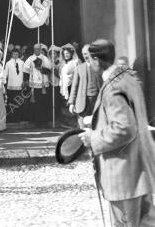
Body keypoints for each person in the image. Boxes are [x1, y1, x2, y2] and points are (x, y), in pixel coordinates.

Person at [79, 39, 155, 226]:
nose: (89, 64)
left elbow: (124, 128)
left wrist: (93, 137)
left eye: (89, 59)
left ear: (96, 60)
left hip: (123, 178)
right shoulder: (128, 78)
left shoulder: (112, 87)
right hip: (140, 172)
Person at [68, 44, 102, 129]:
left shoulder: (100, 67)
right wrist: (72, 103)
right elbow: (74, 87)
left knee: (97, 126)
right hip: (82, 101)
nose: (85, 56)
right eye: (84, 54)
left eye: (87, 53)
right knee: (82, 128)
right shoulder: (79, 68)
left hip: (97, 100)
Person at [23, 44, 52, 124]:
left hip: (43, 85)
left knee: (43, 103)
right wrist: (25, 80)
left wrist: (41, 69)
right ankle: (35, 120)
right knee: (34, 103)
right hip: (34, 84)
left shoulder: (45, 58)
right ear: (34, 49)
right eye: (35, 49)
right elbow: (25, 71)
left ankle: (44, 121)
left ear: (40, 49)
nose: (37, 50)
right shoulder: (30, 58)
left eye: (38, 49)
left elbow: (49, 70)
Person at [58, 43, 79, 127]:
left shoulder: (75, 62)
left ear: (71, 54)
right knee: (65, 105)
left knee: (71, 104)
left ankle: (74, 123)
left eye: (67, 53)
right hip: (64, 87)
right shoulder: (63, 63)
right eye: (65, 54)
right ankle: (67, 122)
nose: (66, 55)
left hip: (72, 86)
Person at [3, 48, 26, 122]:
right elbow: (5, 74)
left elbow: (24, 73)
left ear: (18, 54)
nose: (15, 55)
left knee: (19, 101)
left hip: (19, 85)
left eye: (16, 54)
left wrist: (24, 82)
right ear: (11, 54)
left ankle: (19, 117)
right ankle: (11, 118)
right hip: (11, 86)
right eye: (13, 54)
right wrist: (3, 82)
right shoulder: (8, 63)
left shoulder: (22, 62)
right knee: (11, 102)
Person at [48, 45, 62, 126]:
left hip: (57, 84)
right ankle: (51, 117)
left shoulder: (59, 61)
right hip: (50, 83)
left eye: (54, 53)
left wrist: (54, 69)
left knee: (57, 101)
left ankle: (57, 118)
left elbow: (60, 75)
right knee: (50, 101)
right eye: (51, 54)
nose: (53, 55)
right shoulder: (49, 61)